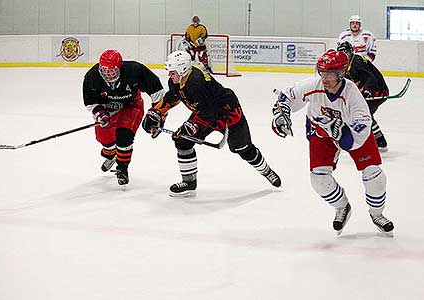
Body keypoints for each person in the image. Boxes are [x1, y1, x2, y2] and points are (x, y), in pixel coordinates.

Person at [271, 49, 394, 236]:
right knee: (318, 180)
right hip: (320, 132)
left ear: (341, 73)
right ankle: (342, 207)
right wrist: (281, 113)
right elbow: (287, 96)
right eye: (322, 72)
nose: (325, 77)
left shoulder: (353, 95)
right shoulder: (314, 85)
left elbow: (354, 139)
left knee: (375, 177)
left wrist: (341, 131)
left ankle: (377, 214)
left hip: (351, 132)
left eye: (331, 73)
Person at [141, 50, 281, 197]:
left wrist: (191, 126)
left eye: (172, 72)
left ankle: (267, 171)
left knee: (243, 149)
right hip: (205, 111)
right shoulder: (178, 80)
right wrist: (156, 112)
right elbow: (174, 97)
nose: (170, 75)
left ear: (182, 69)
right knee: (182, 141)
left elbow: (211, 112)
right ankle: (189, 183)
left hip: (228, 114)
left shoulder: (197, 82)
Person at [83, 49, 164, 187]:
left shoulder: (134, 70)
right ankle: (110, 154)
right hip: (108, 109)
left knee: (124, 135)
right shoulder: (92, 76)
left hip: (131, 106)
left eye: (112, 71)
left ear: (120, 67)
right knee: (104, 139)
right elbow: (90, 102)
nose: (108, 75)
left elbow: (157, 91)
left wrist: (158, 115)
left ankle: (122, 169)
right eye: (104, 71)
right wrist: (100, 113)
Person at [337, 41, 389, 151]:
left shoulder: (357, 61)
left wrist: (367, 90)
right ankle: (379, 140)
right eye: (341, 52)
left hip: (378, 91)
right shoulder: (346, 64)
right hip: (370, 91)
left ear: (351, 51)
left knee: (362, 113)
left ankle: (372, 141)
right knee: (365, 114)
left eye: (346, 52)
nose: (344, 54)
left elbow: (371, 78)